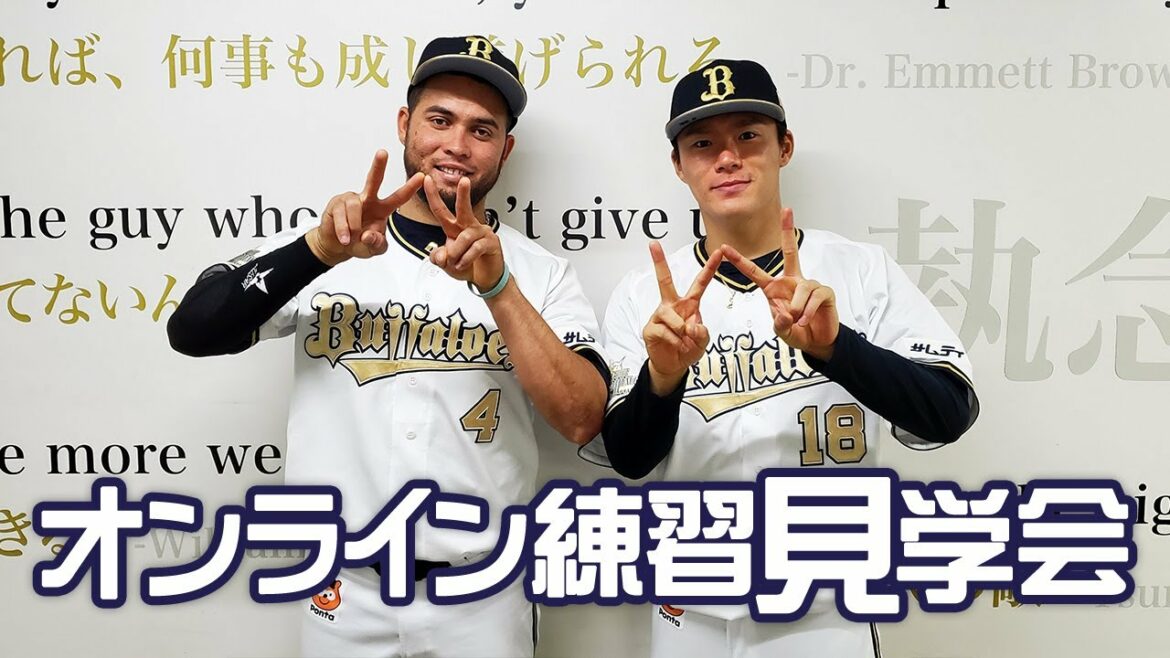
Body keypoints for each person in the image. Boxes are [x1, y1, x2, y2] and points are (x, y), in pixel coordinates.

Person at [167, 35, 609, 658]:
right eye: (440, 119)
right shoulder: (326, 244)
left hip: (481, 593)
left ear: (505, 150)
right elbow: (192, 331)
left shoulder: (540, 273)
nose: (457, 145)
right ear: (405, 125)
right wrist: (318, 252)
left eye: (482, 130)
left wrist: (499, 289)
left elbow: (584, 417)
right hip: (340, 589)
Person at [584, 59, 979, 657]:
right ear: (679, 165)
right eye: (702, 143)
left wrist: (835, 348)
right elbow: (630, 459)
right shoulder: (646, 295)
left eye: (748, 136)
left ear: (784, 147)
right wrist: (663, 377)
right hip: (688, 611)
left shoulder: (859, 270)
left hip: (826, 611)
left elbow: (948, 412)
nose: (727, 158)